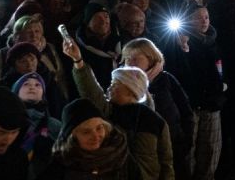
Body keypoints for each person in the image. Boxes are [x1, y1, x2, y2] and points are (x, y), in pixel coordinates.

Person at [61, 37, 174, 180]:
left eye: (115, 84)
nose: (109, 88)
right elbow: (91, 91)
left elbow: (166, 162)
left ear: (130, 90)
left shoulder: (153, 120)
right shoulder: (109, 112)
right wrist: (78, 62)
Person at [120, 38, 193, 180]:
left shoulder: (166, 80)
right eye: (127, 58)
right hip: (143, 154)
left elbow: (186, 111)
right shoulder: (122, 85)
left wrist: (186, 140)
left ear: (151, 58)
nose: (130, 62)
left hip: (175, 147)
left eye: (135, 58)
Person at [167, 4, 223, 180]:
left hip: (211, 103)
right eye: (198, 17)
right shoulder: (176, 41)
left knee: (210, 149)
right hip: (189, 105)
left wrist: (220, 91)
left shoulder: (212, 41)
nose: (204, 21)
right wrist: (182, 49)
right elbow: (178, 73)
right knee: (188, 150)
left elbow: (219, 70)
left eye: (206, 17)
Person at [39, 98, 132, 179]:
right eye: (86, 132)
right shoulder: (59, 166)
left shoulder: (121, 156)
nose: (95, 136)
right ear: (72, 138)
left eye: (99, 128)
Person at [11, 71, 61, 176]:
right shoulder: (7, 122)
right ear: (16, 91)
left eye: (37, 85)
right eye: (26, 84)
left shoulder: (55, 125)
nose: (32, 87)